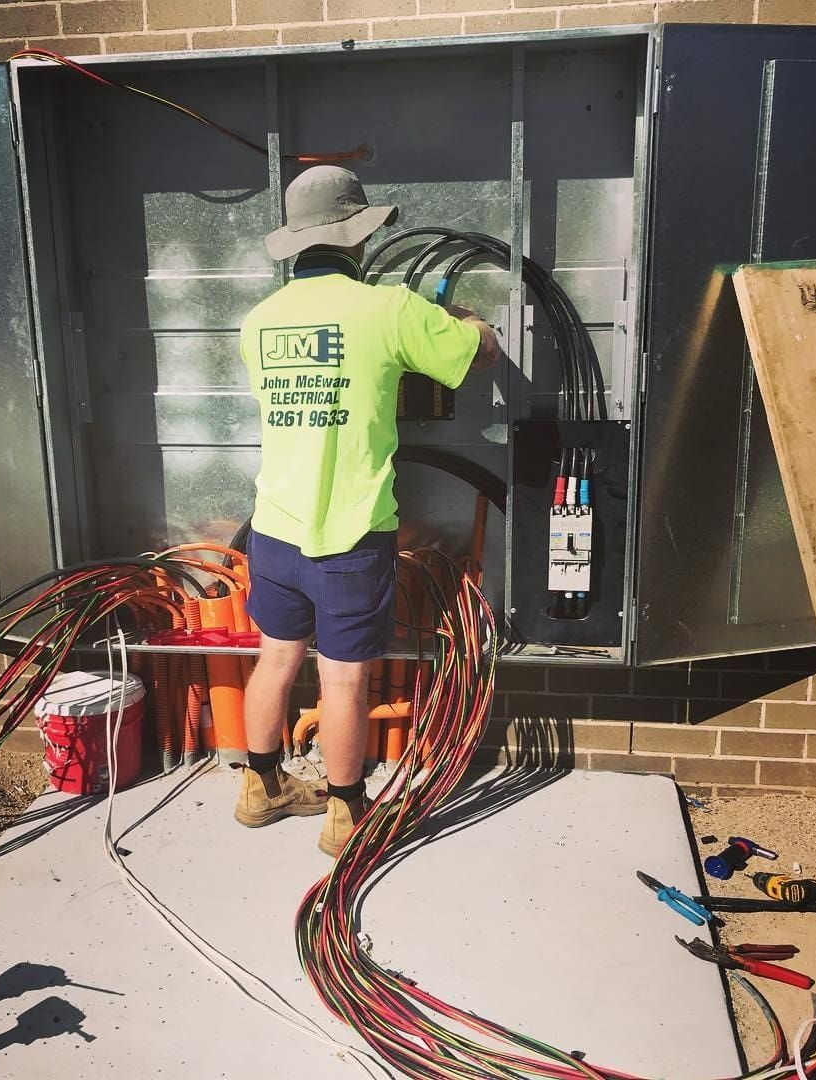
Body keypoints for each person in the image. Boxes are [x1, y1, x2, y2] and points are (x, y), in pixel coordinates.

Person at [234, 165, 500, 856]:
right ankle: (346, 815)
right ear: (358, 238)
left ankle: (260, 788)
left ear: (295, 243)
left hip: (275, 529)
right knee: (345, 677)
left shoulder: (260, 321)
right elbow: (478, 355)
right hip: (349, 535)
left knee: (275, 659)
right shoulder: (390, 308)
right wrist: (470, 322)